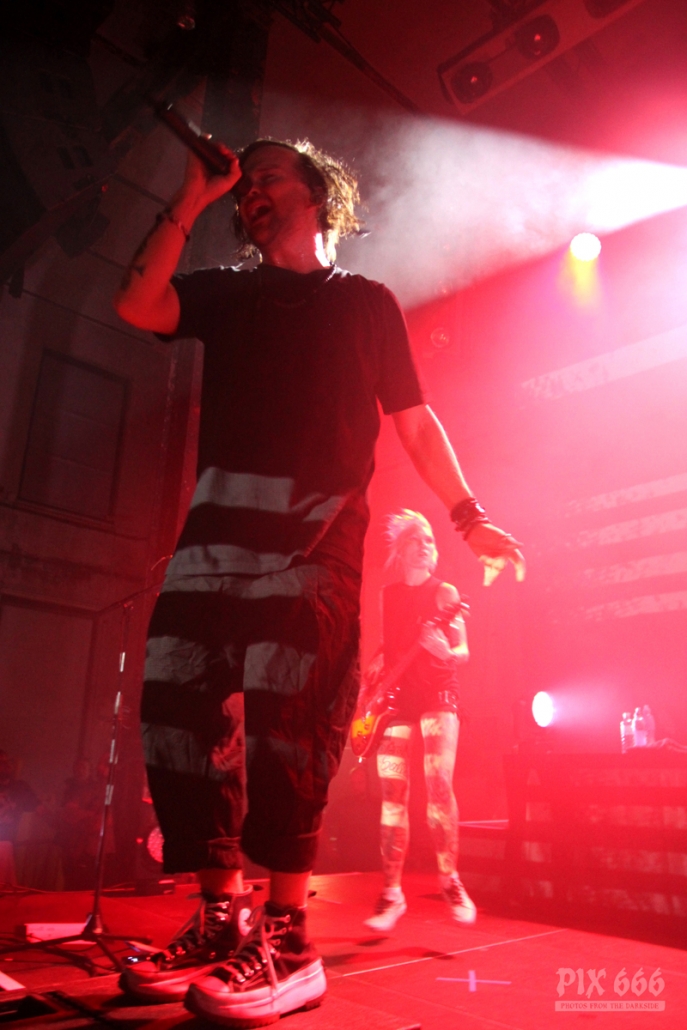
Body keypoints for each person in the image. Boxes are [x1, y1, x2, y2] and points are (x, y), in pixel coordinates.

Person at [113, 133, 524, 1027]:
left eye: (267, 175)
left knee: (289, 727)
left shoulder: (366, 304)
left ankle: (290, 941)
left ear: (317, 191)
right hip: (214, 542)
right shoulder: (229, 292)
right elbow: (138, 302)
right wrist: (192, 195)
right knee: (177, 717)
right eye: (243, 186)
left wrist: (467, 515)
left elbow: (413, 421)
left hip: (315, 545)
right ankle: (220, 918)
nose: (250, 191)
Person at [363, 510, 475, 934]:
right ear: (402, 547)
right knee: (393, 793)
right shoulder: (387, 595)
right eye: (417, 538)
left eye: (430, 539)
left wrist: (445, 651)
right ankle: (392, 893)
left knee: (438, 782)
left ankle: (450, 880)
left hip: (438, 695)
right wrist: (374, 671)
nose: (425, 544)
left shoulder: (445, 593)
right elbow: (387, 645)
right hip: (397, 700)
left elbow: (463, 651)